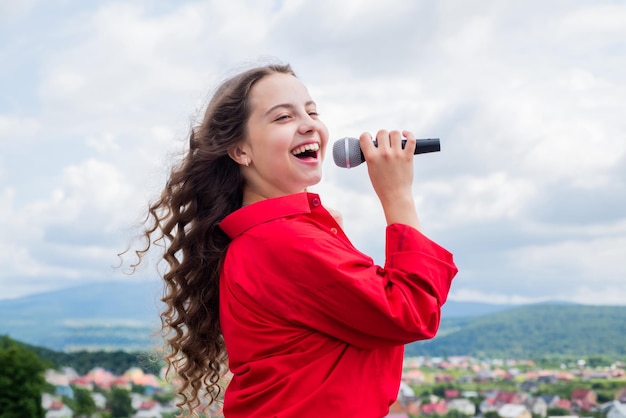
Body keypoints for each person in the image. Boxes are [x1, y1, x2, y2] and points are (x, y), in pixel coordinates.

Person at [132, 62, 458, 417]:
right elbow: (412, 311)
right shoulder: (282, 242)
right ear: (241, 151)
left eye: (312, 111)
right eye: (283, 117)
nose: (309, 124)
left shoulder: (266, 239)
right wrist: (397, 196)